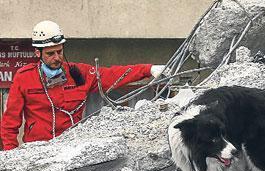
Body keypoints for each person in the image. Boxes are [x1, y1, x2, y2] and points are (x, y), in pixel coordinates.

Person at [0, 20, 168, 150]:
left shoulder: (78, 73)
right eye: (50, 54)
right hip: (37, 150)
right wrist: (11, 155)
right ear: (38, 53)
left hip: (71, 149)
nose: (57, 58)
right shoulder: (24, 78)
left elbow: (112, 75)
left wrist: (148, 69)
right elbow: (10, 122)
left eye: (60, 52)